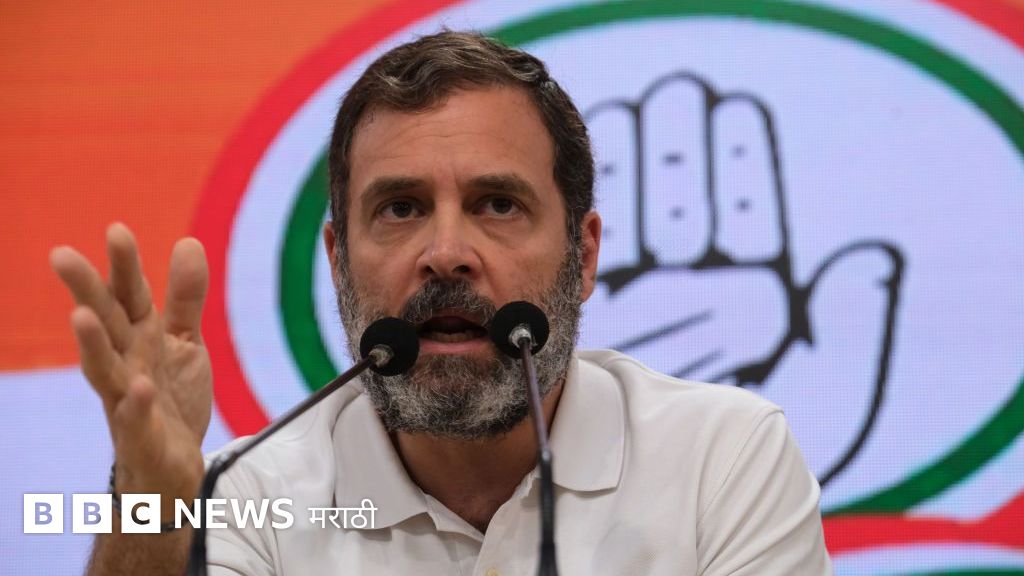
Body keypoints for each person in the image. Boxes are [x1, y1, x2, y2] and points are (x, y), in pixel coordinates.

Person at [51, 31, 832, 575]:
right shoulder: (247, 493)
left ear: (584, 255)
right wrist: (149, 504)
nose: (447, 252)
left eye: (498, 204)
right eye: (401, 208)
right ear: (338, 261)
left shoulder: (721, 459)